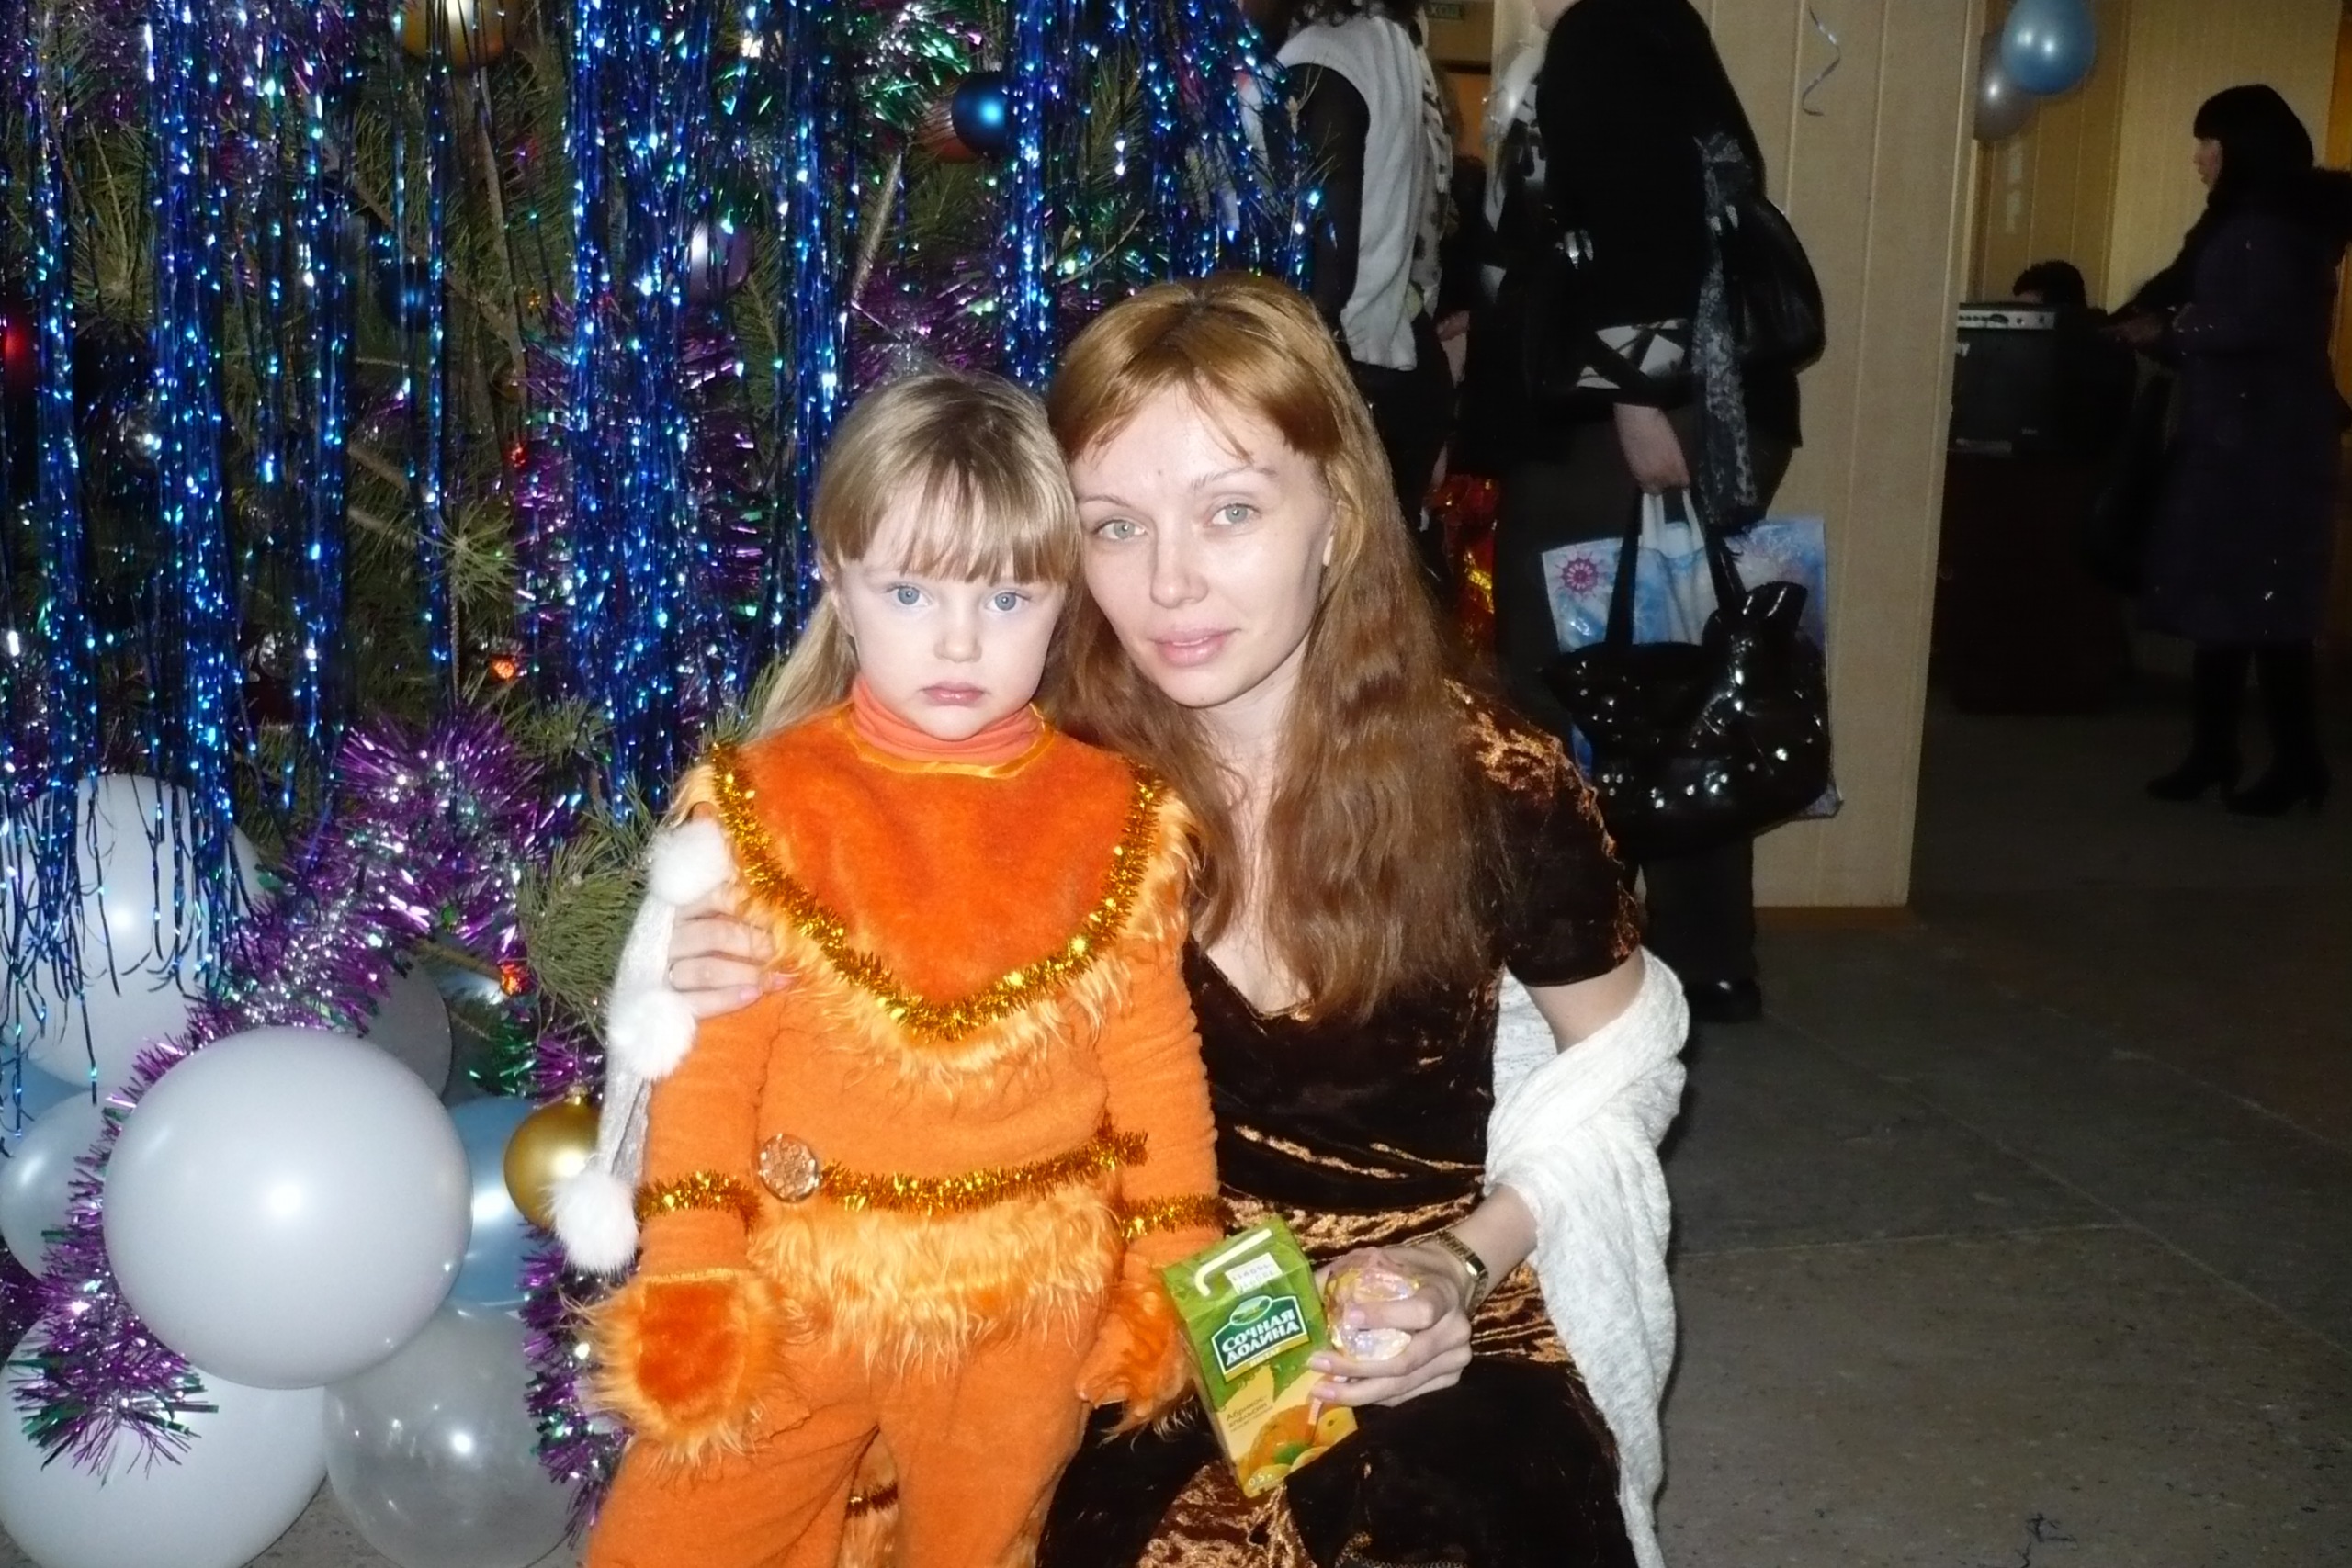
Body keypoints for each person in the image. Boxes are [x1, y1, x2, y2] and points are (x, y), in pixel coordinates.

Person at [662, 275, 1690, 1566]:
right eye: (1115, 525)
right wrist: (711, 971)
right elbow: (834, 954)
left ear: (1338, 514)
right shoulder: (1038, 771)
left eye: (1231, 511)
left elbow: (1624, 1067)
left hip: (1431, 1313)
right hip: (1122, 1302)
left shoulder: (1492, 778)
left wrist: (1461, 1264)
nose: (1170, 583)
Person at [553, 370, 1226, 1568]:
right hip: (798, 1291)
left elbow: (1154, 1061)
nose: (959, 641)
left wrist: (1172, 1258)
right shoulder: (766, 806)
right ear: (839, 584)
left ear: (1063, 595)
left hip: (1027, 1305)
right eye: (911, 591)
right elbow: (713, 1071)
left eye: (1007, 596)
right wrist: (695, 1275)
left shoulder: (1114, 817)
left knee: (981, 1538)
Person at [1479, 0, 1803, 1024]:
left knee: (1566, 685)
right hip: (1706, 398)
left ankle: (1575, 949)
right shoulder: (1658, 24)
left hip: (1629, 414)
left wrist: (1635, 396)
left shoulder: (1602, 33)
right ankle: (1706, 955)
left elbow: (1638, 215)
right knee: (1686, 678)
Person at [2109, 85, 2346, 816]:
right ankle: (2221, 753)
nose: (2200, 158)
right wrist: (2158, 327)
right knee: (2228, 601)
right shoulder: (2261, 220)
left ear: (2240, 148)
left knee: (2264, 606)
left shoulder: (2266, 228)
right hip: (2249, 435)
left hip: (2265, 445)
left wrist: (2170, 330)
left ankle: (2291, 762)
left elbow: (2259, 324)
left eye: (2209, 143)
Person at [1253, 0, 1456, 581]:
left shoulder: (1322, 60)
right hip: (1393, 359)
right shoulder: (1385, 40)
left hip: (1343, 376)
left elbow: (1321, 274)